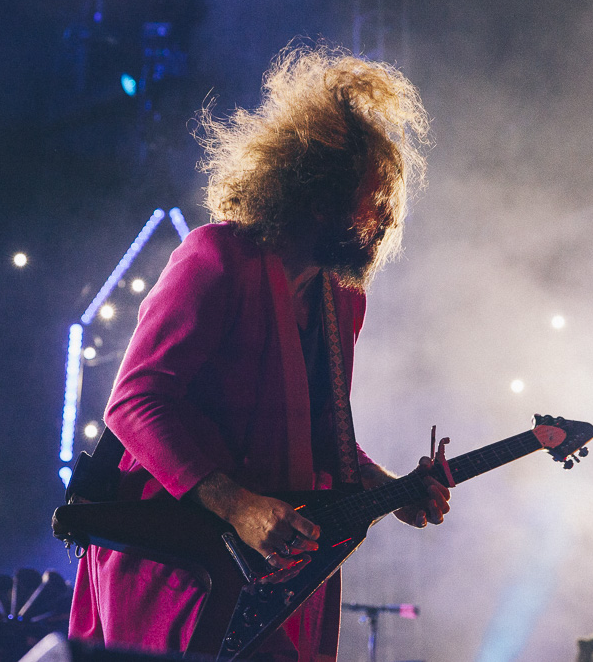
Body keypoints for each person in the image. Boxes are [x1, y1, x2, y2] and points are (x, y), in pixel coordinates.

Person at [68, 43, 448, 661]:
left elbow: (323, 434)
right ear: (320, 191)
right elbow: (134, 402)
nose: (384, 222)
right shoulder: (214, 259)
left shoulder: (341, 301)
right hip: (178, 561)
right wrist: (237, 504)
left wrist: (392, 486)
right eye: (373, 201)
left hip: (275, 574)